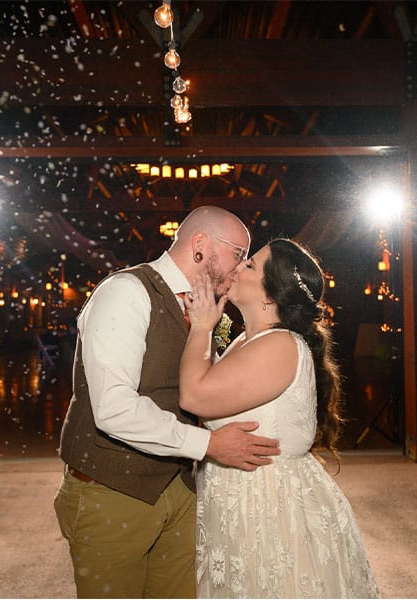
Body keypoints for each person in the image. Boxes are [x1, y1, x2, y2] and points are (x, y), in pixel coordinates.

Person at [54, 206, 281, 599]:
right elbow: (114, 408)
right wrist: (209, 445)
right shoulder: (126, 292)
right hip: (111, 490)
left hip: (181, 488)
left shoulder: (206, 309)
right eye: (237, 253)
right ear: (199, 246)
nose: (241, 266)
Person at [179, 238, 379, 598]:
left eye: (251, 265)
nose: (238, 267)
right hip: (239, 497)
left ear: (271, 295)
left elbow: (194, 397)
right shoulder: (247, 341)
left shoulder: (280, 344)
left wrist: (201, 327)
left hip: (266, 504)